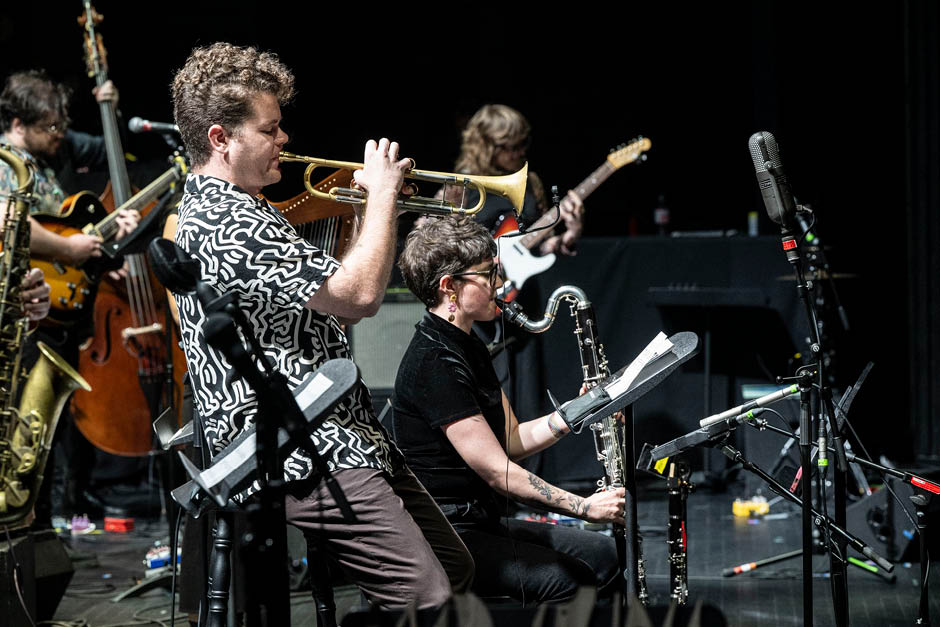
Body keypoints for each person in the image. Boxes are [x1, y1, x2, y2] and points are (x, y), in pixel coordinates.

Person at [170, 42, 472, 610]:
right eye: (270, 128)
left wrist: (364, 209)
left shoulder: (247, 206)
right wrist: (382, 197)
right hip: (298, 446)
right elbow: (358, 297)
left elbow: (342, 283)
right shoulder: (228, 219)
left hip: (341, 430)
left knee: (455, 568)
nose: (284, 138)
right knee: (427, 597)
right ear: (221, 139)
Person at [392, 216, 623, 603]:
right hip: (449, 534)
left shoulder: (470, 346)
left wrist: (578, 411)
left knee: (604, 556)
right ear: (450, 287)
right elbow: (499, 473)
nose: (501, 282)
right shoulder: (434, 362)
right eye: (489, 273)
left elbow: (512, 440)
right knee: (571, 582)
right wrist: (585, 507)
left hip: (480, 523)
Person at [0, 69, 140, 523]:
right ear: (18, 124)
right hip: (19, 312)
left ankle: (50, 511)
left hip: (47, 304)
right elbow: (7, 221)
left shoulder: (40, 164)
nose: (59, 136)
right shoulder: (6, 164)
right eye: (49, 128)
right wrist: (70, 248)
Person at [444, 103, 584, 255]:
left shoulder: (531, 181)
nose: (520, 152)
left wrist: (568, 236)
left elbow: (542, 246)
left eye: (523, 143)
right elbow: (444, 247)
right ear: (487, 147)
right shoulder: (461, 186)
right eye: (512, 147)